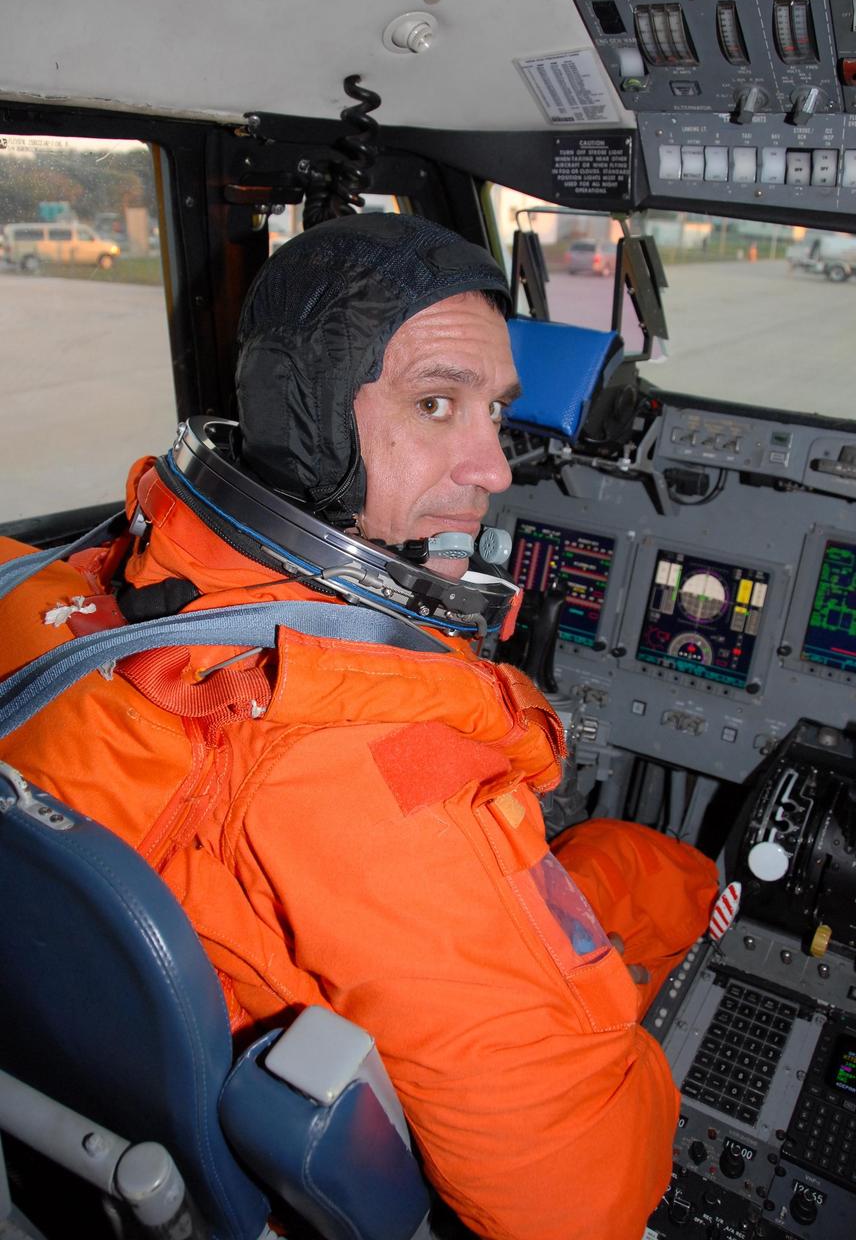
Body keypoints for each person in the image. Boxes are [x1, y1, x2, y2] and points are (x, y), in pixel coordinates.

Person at [0, 213, 718, 1240]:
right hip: (320, 1146)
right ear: (310, 418)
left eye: (495, 411)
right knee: (645, 871)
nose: (494, 466)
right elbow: (576, 1203)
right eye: (436, 403)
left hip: (115, 1075)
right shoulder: (365, 760)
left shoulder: (109, 570)